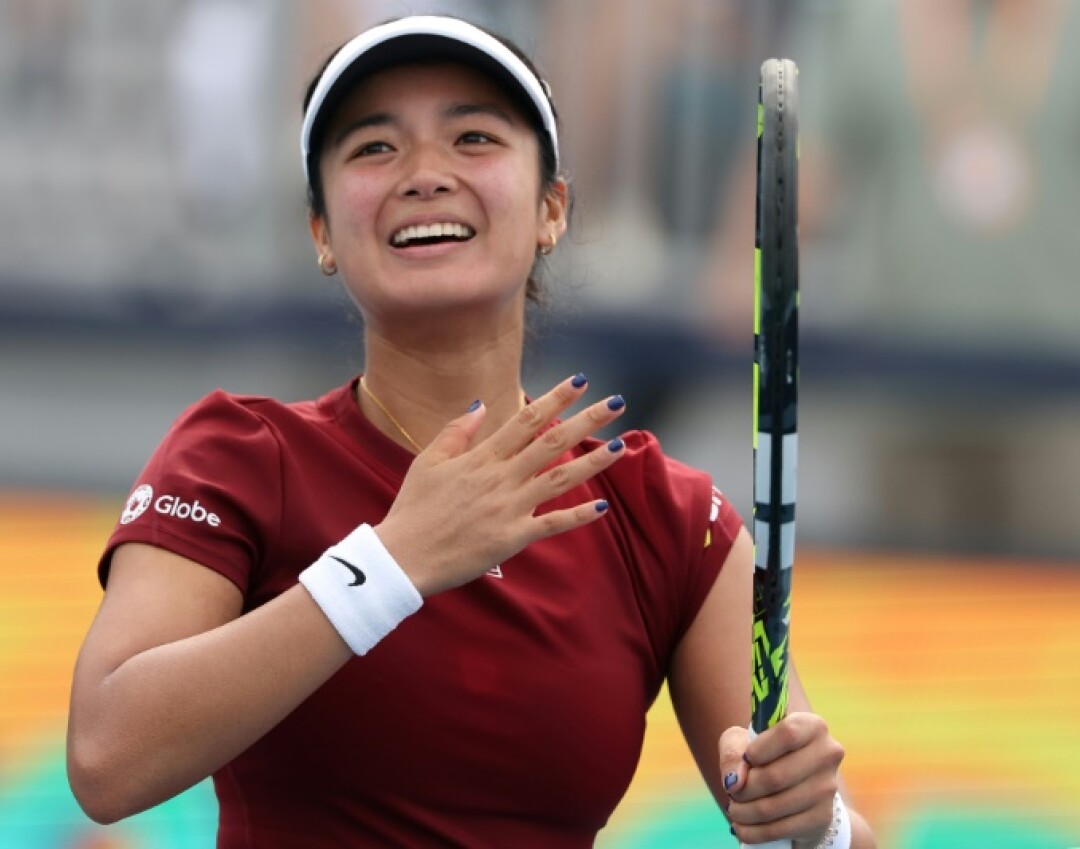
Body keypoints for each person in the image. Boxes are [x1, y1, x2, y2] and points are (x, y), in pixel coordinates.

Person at [67, 15, 876, 848]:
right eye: (375, 148)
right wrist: (392, 561)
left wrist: (816, 824)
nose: (425, 174)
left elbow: (822, 821)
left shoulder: (666, 518)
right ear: (320, 232)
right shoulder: (237, 457)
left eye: (474, 138)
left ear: (551, 210)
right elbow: (106, 757)